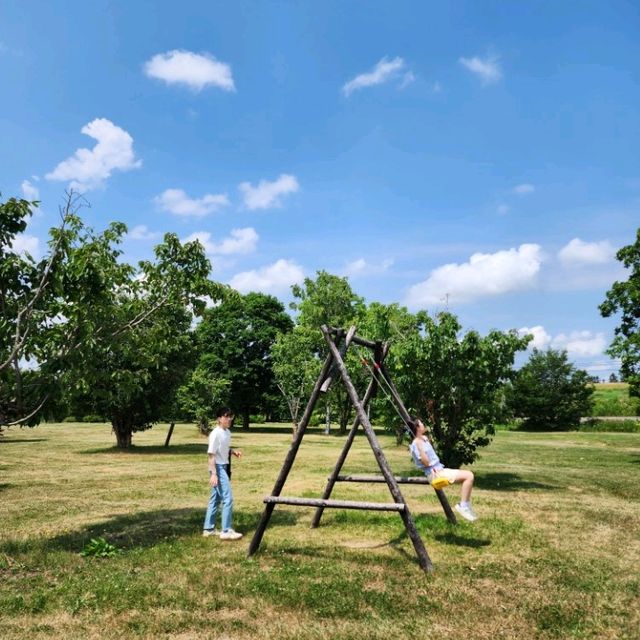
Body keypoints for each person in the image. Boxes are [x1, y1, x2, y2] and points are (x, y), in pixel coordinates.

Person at [408, 418, 478, 522]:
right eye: (421, 423)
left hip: (440, 469)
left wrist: (423, 439)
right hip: (436, 474)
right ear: (417, 428)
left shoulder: (423, 439)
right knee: (469, 476)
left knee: (469, 475)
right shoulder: (415, 445)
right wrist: (420, 448)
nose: (423, 424)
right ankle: (463, 506)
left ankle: (465, 505)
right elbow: (426, 463)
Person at [202, 407, 243, 540]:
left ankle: (208, 529)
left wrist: (232, 452)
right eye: (226, 416)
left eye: (230, 416)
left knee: (215, 499)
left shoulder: (227, 432)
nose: (229, 419)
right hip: (218, 468)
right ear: (219, 419)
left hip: (224, 466)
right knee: (227, 498)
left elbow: (223, 448)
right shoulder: (215, 433)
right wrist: (214, 474)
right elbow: (211, 455)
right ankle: (226, 530)